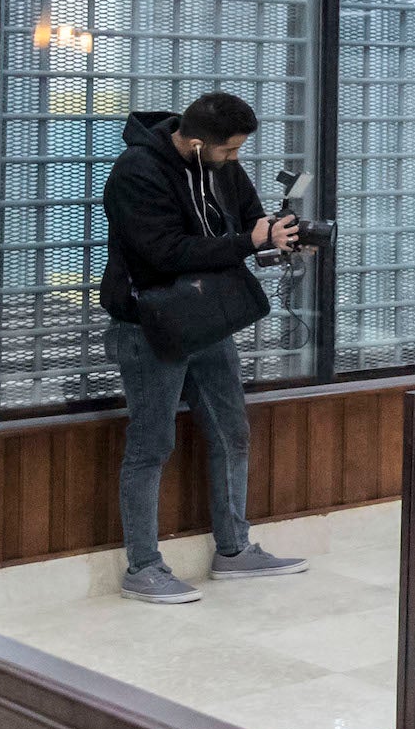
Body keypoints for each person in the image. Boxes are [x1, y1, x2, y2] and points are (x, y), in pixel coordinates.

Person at [100, 91, 310, 603]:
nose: (235, 160)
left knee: (231, 431)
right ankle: (143, 567)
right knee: (152, 445)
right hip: (149, 325)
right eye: (229, 151)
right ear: (196, 145)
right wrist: (246, 243)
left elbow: (250, 218)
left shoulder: (221, 167)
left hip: (210, 316)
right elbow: (161, 253)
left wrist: (275, 237)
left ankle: (234, 551)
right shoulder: (135, 172)